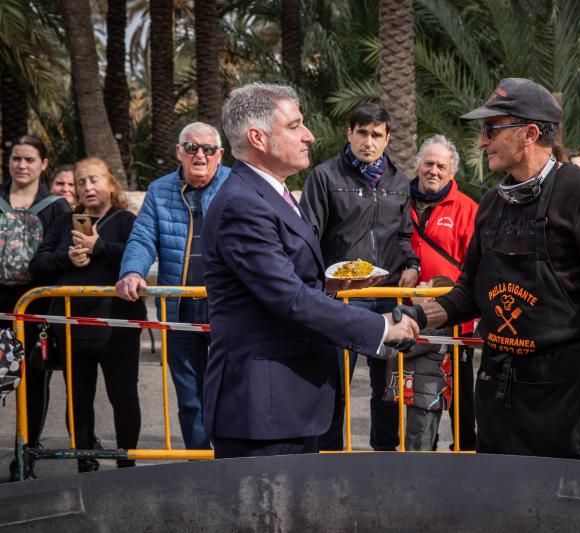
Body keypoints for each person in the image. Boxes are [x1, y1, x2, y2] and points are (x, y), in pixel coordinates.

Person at [400, 78, 580, 462]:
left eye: (491, 129)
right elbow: (470, 291)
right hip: (499, 391)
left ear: (530, 133)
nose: (482, 142)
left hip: (568, 395)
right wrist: (414, 317)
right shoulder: (493, 205)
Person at [201, 82, 418, 459]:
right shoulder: (243, 204)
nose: (309, 135)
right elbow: (288, 298)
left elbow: (282, 281)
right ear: (258, 138)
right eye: (295, 125)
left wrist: (329, 284)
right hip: (264, 410)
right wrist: (380, 327)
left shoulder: (271, 193)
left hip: (289, 404)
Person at [301, 103, 420, 451]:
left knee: (388, 389)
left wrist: (412, 264)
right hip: (342, 299)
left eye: (377, 135)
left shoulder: (399, 181)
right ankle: (328, 457)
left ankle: (384, 457)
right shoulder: (324, 177)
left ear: (387, 139)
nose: (369, 141)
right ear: (349, 133)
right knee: (334, 385)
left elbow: (403, 234)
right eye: (362, 133)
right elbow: (308, 235)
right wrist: (322, 282)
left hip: (387, 296)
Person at [115, 122, 230, 451]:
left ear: (220, 155)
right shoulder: (159, 190)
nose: (200, 155)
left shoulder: (237, 186)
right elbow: (142, 238)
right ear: (179, 152)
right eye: (191, 147)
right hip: (178, 308)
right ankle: (198, 466)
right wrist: (132, 272)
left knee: (231, 391)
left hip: (227, 307)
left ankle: (231, 463)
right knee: (190, 397)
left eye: (208, 149)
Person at [30, 157, 146, 472]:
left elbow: (138, 257)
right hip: (72, 329)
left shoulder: (125, 220)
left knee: (123, 397)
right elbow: (37, 265)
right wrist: (65, 258)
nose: (87, 187)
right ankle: (84, 462)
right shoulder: (67, 220)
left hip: (118, 327)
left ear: (110, 183)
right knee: (78, 400)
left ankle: (127, 461)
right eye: (81, 182)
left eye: (94, 180)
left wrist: (100, 247)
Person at [0, 135, 71, 480]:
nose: (21, 166)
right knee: (1, 378)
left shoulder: (56, 207)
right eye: (16, 159)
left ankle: (26, 453)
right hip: (0, 305)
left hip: (37, 305)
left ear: (43, 164)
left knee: (34, 377)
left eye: (29, 159)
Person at [409, 135, 479, 449]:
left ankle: (464, 450)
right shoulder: (399, 202)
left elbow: (475, 266)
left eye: (441, 166)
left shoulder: (468, 210)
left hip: (452, 319)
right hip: (408, 317)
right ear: (417, 166)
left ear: (451, 173)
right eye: (428, 163)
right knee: (412, 390)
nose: (433, 171)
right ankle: (421, 452)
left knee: (461, 392)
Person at [382, 276, 456, 451]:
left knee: (418, 443)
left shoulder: (435, 328)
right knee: (416, 439)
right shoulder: (432, 326)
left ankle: (419, 477)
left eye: (425, 284)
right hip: (421, 394)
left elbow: (406, 348)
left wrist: (380, 336)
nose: (419, 284)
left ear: (430, 299)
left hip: (427, 397)